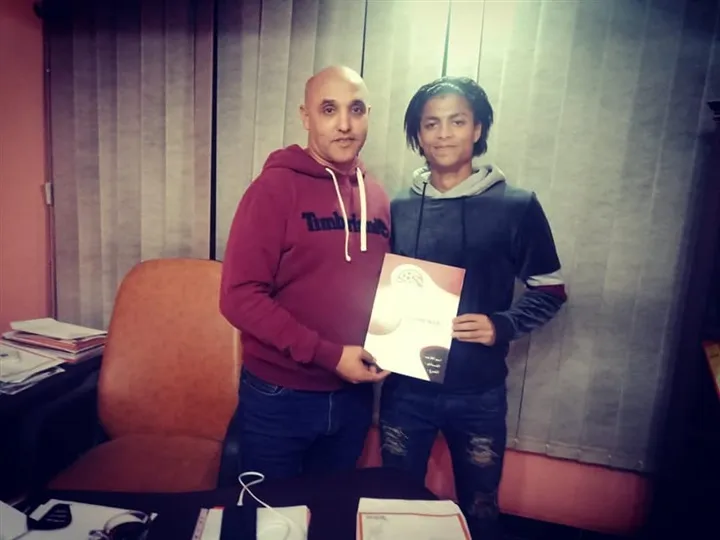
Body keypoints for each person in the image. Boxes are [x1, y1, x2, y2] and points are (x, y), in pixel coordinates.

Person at [379, 76, 567, 539]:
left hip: (478, 393)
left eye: (457, 121)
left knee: (480, 509)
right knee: (394, 504)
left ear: (478, 129)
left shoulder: (516, 206)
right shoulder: (396, 206)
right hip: (406, 390)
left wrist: (501, 325)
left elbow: (550, 289)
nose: (444, 133)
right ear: (417, 134)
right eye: (431, 124)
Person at [220, 65, 391, 481]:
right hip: (280, 395)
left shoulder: (376, 195)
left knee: (330, 510)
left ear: (368, 114)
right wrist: (329, 356)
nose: (345, 124)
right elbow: (238, 297)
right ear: (306, 117)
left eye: (356, 109)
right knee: (270, 512)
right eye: (329, 109)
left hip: (353, 395)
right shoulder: (273, 190)